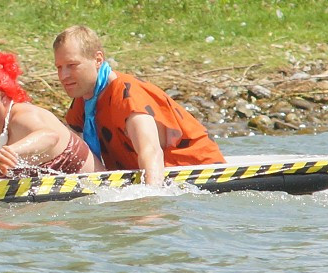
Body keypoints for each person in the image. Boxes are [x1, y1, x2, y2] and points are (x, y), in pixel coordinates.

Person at [52, 26, 225, 187]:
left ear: (98, 60)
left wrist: (150, 207)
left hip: (200, 172)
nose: (64, 76)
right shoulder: (82, 101)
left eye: (72, 65)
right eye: (59, 67)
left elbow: (150, 152)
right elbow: (69, 153)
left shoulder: (128, 95)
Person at [0, 51, 104, 178]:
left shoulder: (23, 116)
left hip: (101, 196)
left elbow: (50, 136)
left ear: (3, 97)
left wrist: (14, 151)